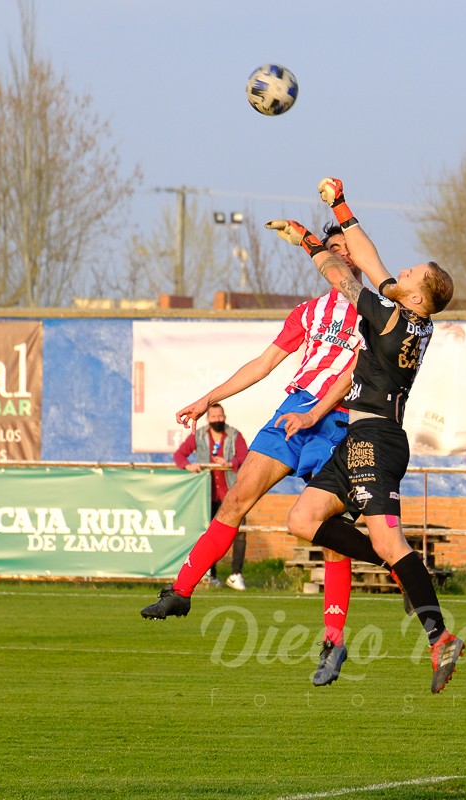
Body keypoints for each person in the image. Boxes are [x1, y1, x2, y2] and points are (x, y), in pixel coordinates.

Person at [141, 222, 365, 673]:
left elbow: (352, 378)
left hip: (337, 421)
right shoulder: (309, 313)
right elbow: (263, 364)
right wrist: (210, 398)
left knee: (328, 531)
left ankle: (333, 641)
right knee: (238, 497)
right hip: (294, 410)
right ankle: (181, 591)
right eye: (335, 252)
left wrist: (317, 413)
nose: (344, 258)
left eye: (349, 251)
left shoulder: (377, 316)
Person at [269, 175, 462, 694]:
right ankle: (397, 567)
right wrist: (342, 207)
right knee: (302, 518)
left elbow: (344, 276)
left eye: (410, 273)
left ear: (418, 294)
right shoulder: (413, 318)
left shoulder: (391, 321)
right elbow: (372, 261)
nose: (399, 271)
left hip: (376, 440)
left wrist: (311, 242)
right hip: (356, 440)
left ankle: (439, 635)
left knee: (387, 536)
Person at [173, 402, 248, 589]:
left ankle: (235, 574)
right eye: (214, 417)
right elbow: (179, 455)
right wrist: (188, 465)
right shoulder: (198, 435)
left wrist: (229, 463)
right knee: (209, 533)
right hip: (207, 493)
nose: (218, 420)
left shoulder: (234, 435)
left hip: (232, 491)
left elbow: (245, 457)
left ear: (225, 416)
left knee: (240, 532)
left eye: (220, 416)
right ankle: (211, 575)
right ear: (208, 419)